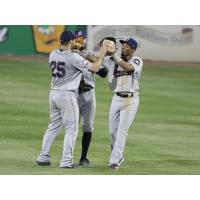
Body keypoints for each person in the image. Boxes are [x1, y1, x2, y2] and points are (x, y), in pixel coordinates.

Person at [36, 30, 108, 168]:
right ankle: (66, 161)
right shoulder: (73, 57)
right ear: (70, 41)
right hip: (67, 95)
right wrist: (102, 53)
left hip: (53, 94)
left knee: (53, 126)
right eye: (74, 40)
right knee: (72, 129)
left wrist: (80, 52)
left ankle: (43, 156)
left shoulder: (52, 54)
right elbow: (95, 68)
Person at [102, 37, 143, 170]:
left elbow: (129, 68)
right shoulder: (114, 60)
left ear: (133, 48)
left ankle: (114, 161)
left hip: (131, 100)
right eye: (122, 45)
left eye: (126, 46)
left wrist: (114, 56)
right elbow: (95, 61)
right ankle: (119, 155)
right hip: (116, 99)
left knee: (121, 131)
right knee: (112, 132)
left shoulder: (136, 60)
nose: (123, 47)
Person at [73, 31, 111, 166]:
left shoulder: (90, 56)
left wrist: (94, 57)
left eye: (81, 39)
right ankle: (67, 158)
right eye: (77, 39)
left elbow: (104, 73)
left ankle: (83, 158)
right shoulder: (70, 55)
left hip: (90, 94)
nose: (80, 41)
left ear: (85, 40)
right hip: (74, 94)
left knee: (88, 127)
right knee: (73, 127)